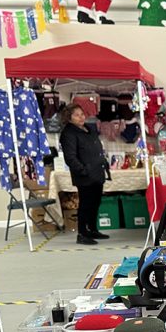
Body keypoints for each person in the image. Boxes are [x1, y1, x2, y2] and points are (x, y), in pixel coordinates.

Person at [59, 103, 111, 245]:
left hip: (97, 172)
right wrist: (83, 170)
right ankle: (82, 233)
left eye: (82, 114)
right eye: (77, 115)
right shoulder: (68, 133)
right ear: (69, 118)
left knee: (95, 202)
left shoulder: (88, 129)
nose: (81, 117)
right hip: (85, 175)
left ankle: (92, 229)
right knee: (86, 204)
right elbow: (70, 157)